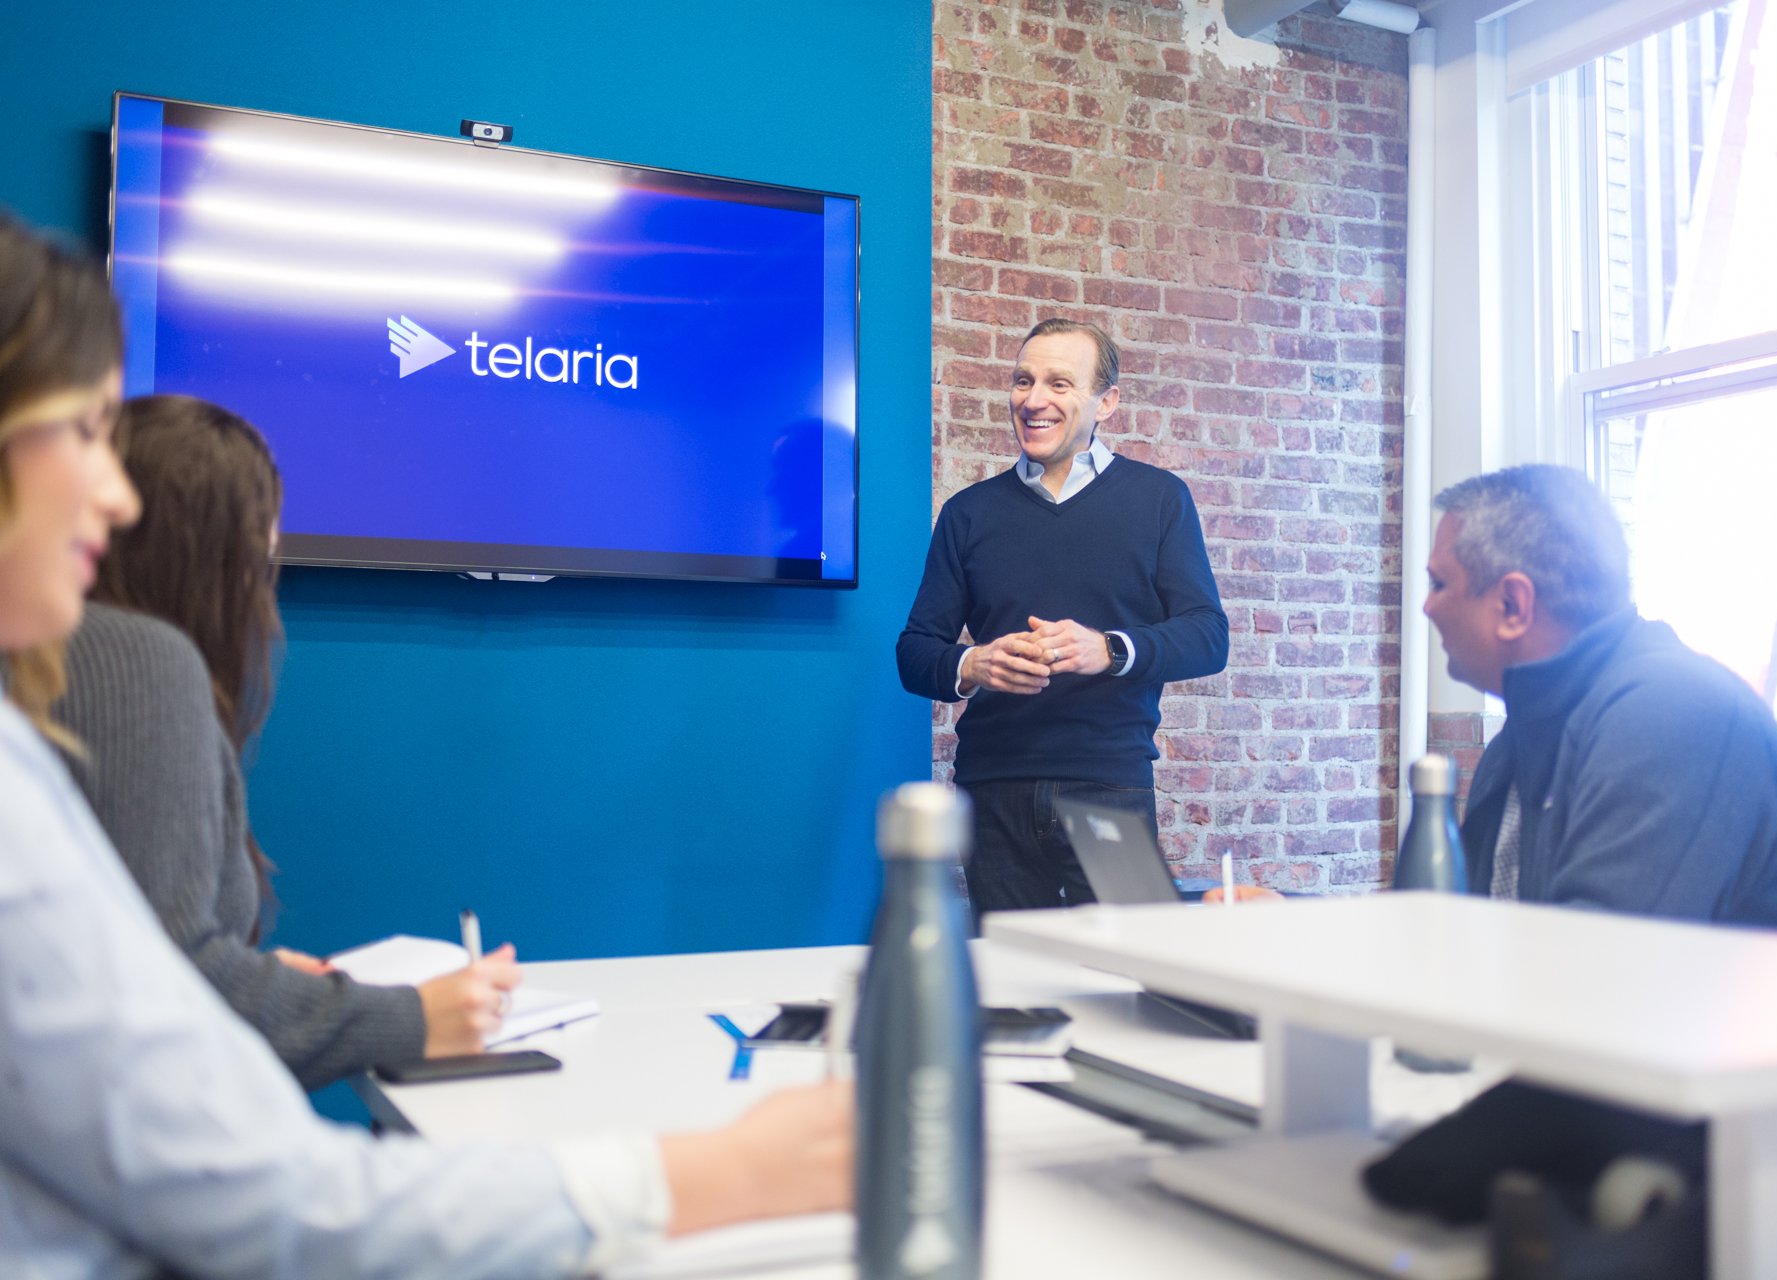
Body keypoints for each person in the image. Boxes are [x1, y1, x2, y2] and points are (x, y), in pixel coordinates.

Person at [0, 215, 848, 1275]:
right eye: (80, 429)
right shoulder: (123, 674)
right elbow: (261, 1199)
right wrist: (725, 1172)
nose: (111, 491)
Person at [51, 395, 514, 1089]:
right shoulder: (138, 663)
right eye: (262, 556)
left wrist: (260, 984)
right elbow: (166, 979)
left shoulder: (64, 661)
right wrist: (416, 1019)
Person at [1423, 464, 1777, 934]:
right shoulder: (1519, 740)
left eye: (1439, 584)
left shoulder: (1672, 715)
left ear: (1513, 605)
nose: (1428, 606)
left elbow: (1596, 977)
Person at [897, 318, 1229, 912]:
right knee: (1012, 986)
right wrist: (976, 663)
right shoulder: (967, 514)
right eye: (1023, 381)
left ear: (1107, 403)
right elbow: (916, 652)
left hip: (1110, 787)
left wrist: (1109, 649)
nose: (1033, 399)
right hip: (991, 792)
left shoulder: (1159, 500)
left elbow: (1209, 636)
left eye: (1058, 383)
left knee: (1126, 976)